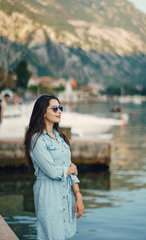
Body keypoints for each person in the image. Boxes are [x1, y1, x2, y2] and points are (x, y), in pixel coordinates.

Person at [24, 95, 84, 240]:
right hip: (49, 194)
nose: (59, 111)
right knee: (50, 235)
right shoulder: (36, 139)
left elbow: (69, 167)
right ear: (43, 112)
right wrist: (71, 169)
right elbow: (52, 171)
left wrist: (78, 195)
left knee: (63, 234)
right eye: (55, 108)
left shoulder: (61, 137)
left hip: (65, 194)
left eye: (60, 108)